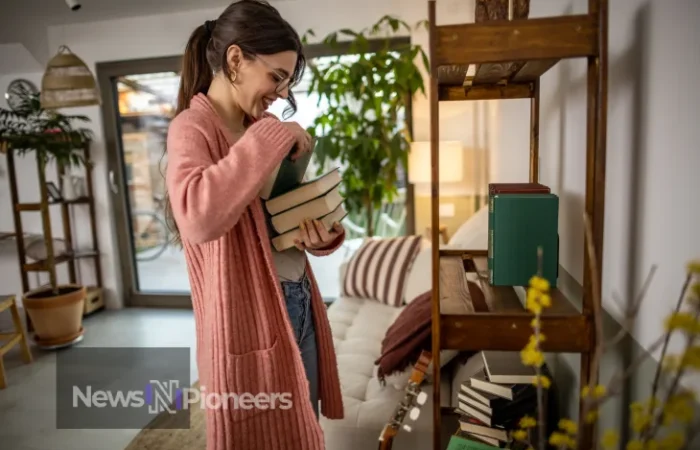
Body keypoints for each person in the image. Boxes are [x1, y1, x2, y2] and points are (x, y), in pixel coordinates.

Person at [164, 1, 345, 449]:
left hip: (300, 301)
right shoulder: (192, 128)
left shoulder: (260, 126)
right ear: (235, 60)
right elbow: (199, 216)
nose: (282, 94)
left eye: (287, 81)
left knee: (306, 430)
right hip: (251, 322)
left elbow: (278, 220)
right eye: (277, 77)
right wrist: (269, 136)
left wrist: (319, 235)